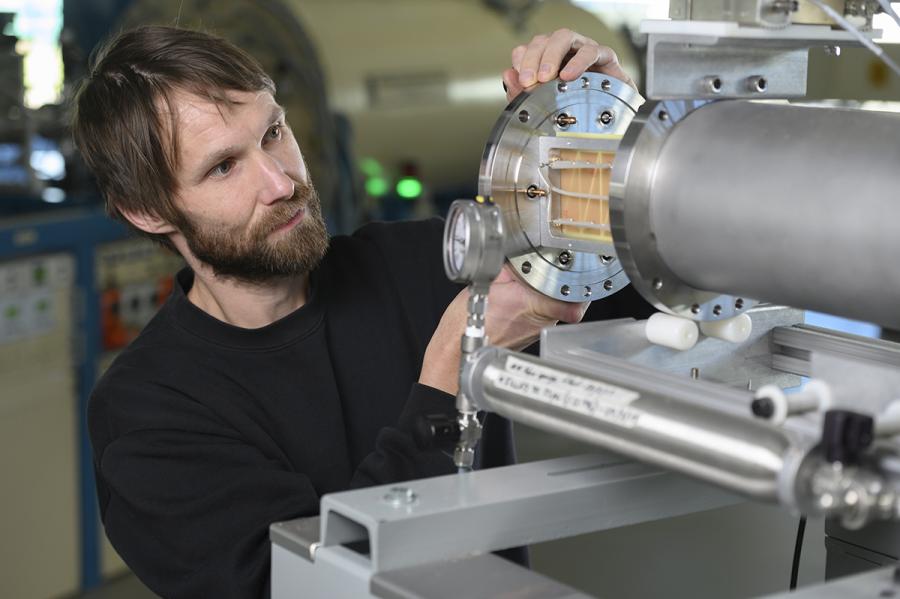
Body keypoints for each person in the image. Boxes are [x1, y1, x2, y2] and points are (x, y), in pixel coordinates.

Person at [72, 25, 647, 598]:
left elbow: (653, 303)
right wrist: (453, 378)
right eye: (223, 167)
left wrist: (619, 144)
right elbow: (314, 587)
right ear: (147, 211)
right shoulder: (147, 415)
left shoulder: (419, 263)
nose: (281, 181)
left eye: (273, 132)